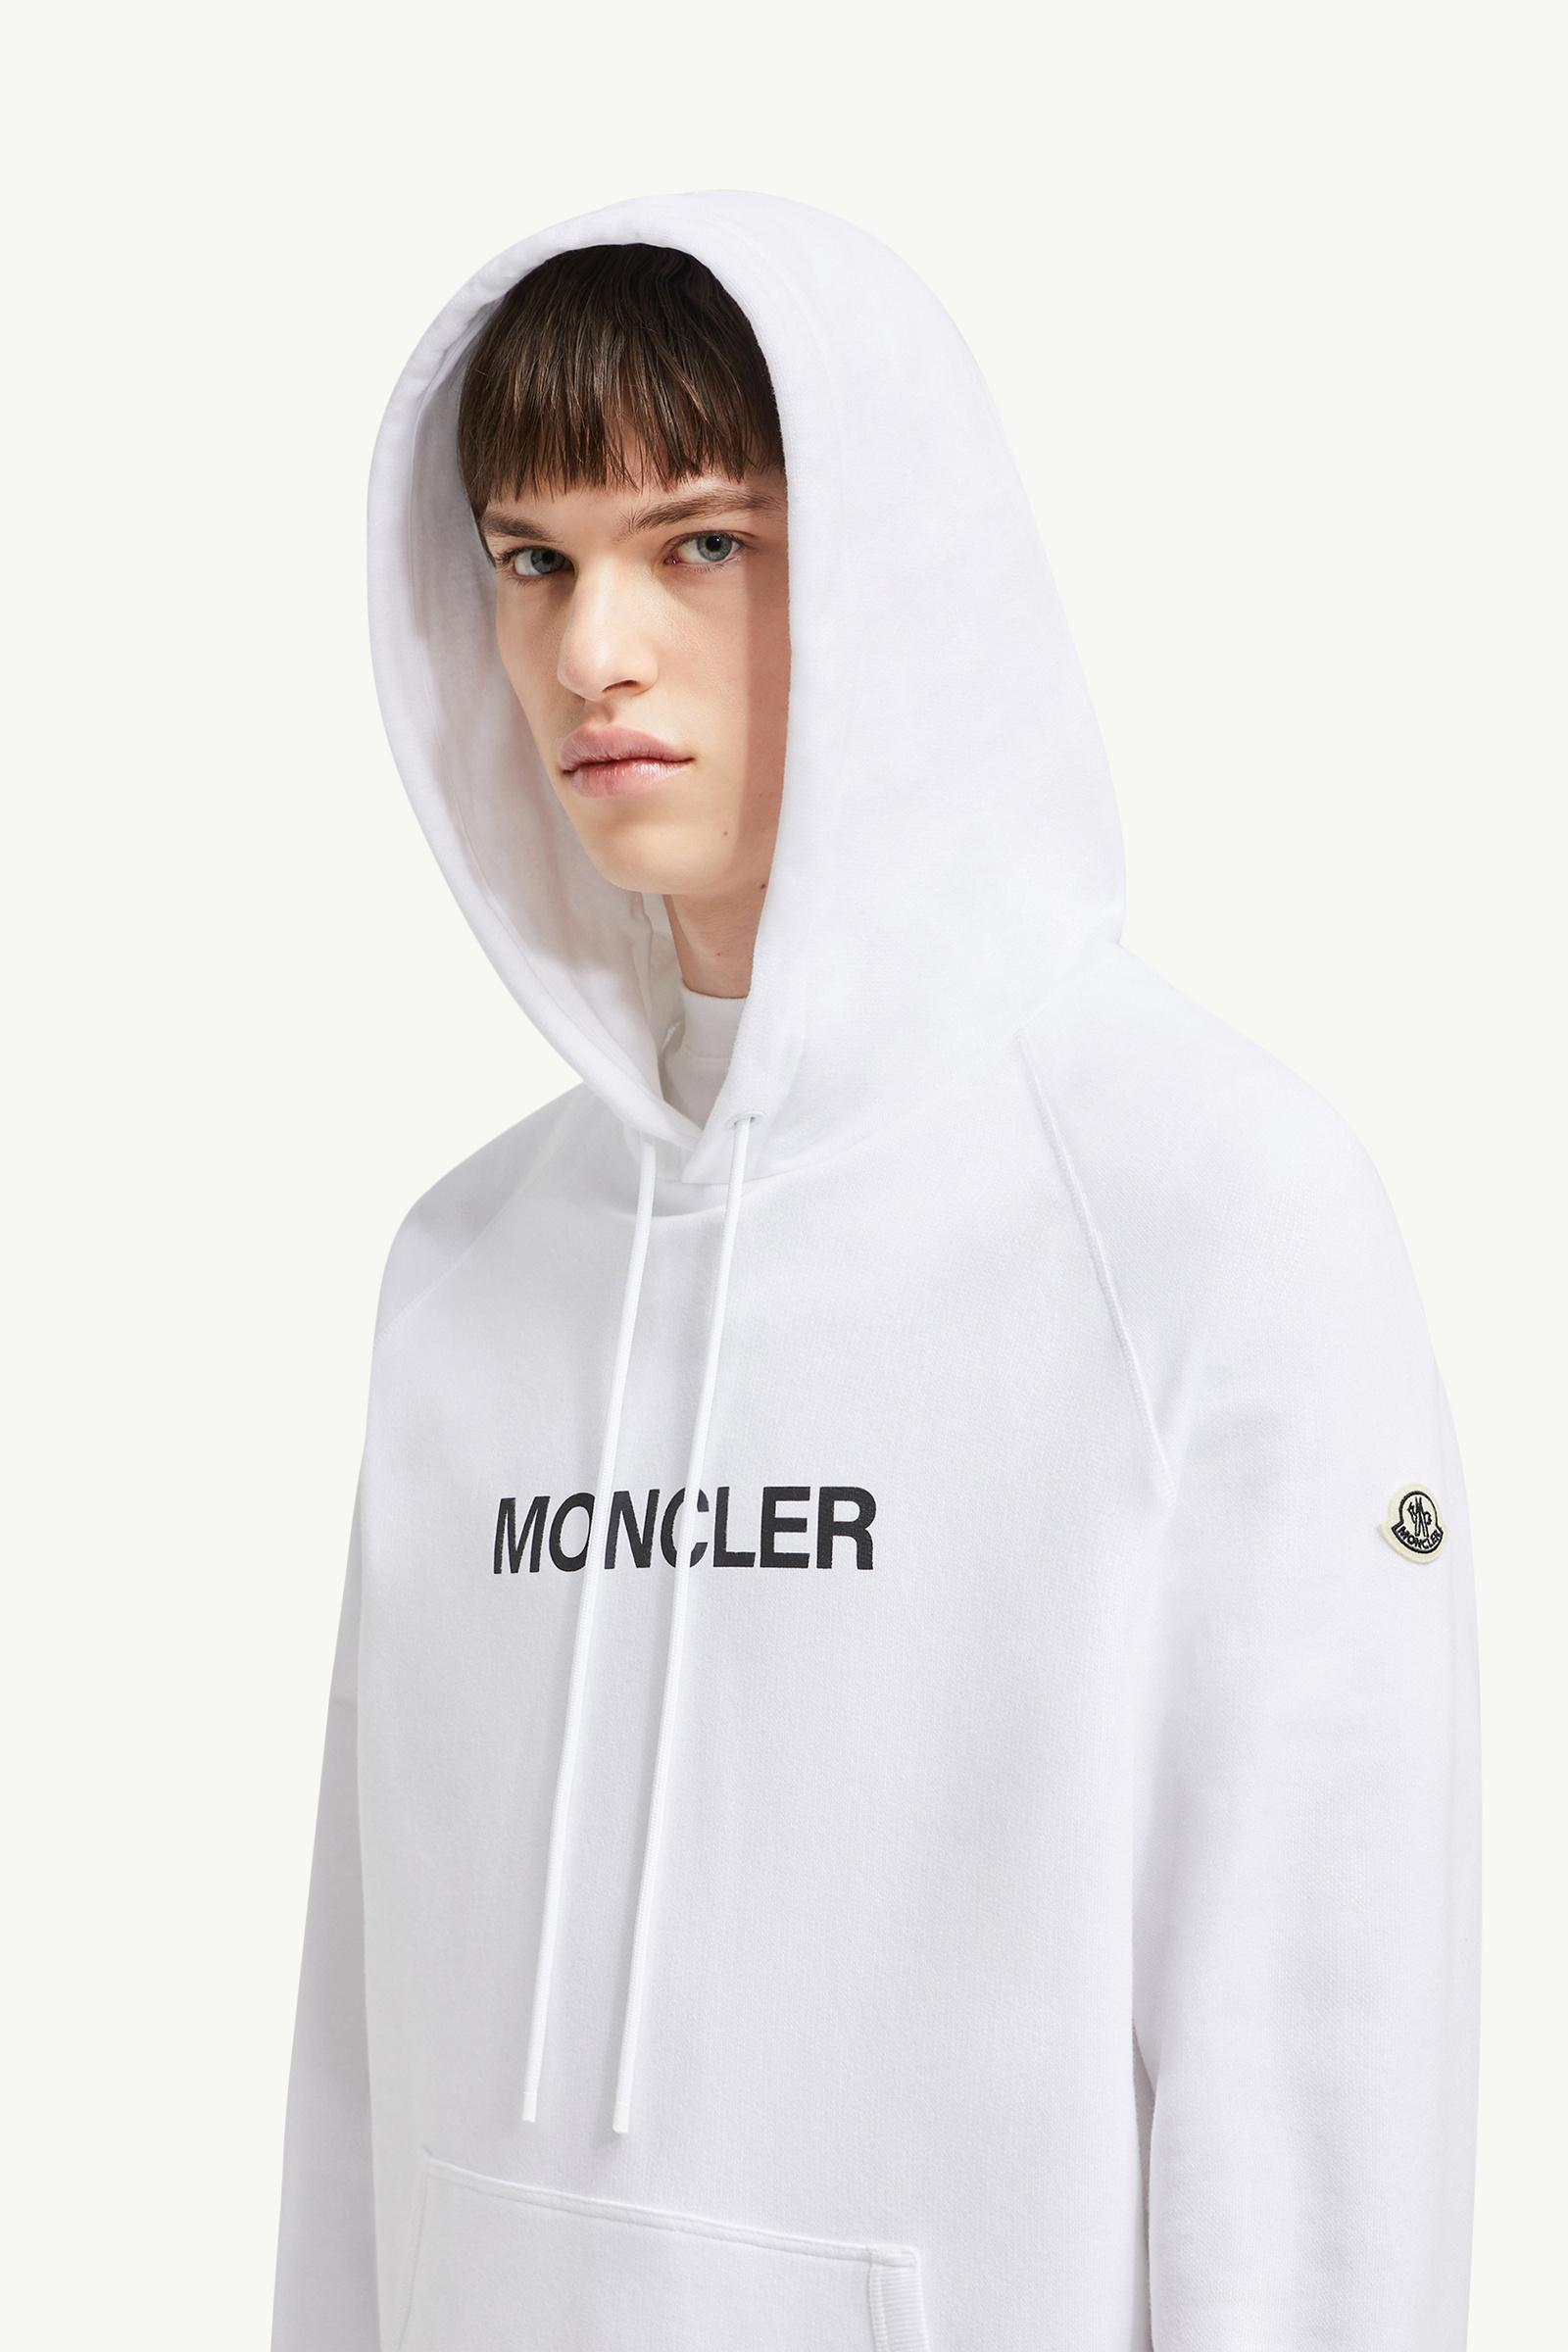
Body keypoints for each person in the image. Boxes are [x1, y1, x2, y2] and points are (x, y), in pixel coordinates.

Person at [270, 190, 1482, 2351]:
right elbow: (357, 2093)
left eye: (698, 543)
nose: (591, 650)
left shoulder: (1211, 1218)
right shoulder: (461, 1274)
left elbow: (1320, 2102)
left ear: (900, 562)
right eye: (532, 559)